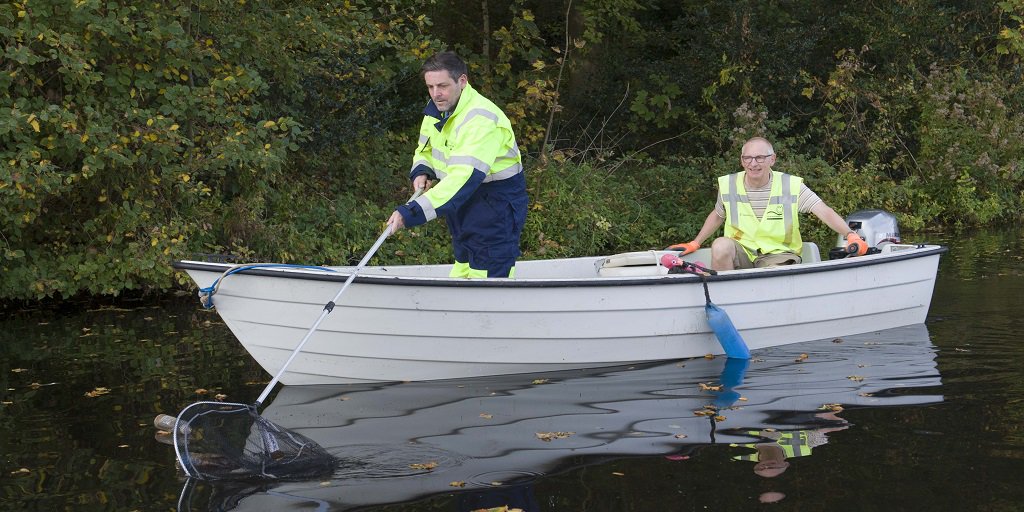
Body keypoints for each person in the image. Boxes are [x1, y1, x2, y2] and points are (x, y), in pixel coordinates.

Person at [386, 51, 528, 278]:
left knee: (488, 272)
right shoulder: (437, 111)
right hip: (461, 203)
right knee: (463, 264)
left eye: (442, 86)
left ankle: (490, 313)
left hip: (494, 204)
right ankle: (460, 310)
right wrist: (423, 170)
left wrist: (411, 212)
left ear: (462, 81)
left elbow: (463, 178)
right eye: (430, 87)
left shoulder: (481, 119)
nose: (436, 94)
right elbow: (426, 149)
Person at [668, 137, 868, 271]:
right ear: (741, 160)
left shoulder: (791, 185)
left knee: (770, 274)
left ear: (772, 159)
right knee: (720, 245)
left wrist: (850, 235)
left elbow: (823, 211)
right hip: (744, 251)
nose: (753, 163)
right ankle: (726, 302)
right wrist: (696, 242)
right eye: (747, 158)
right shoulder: (729, 184)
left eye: (759, 158)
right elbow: (718, 214)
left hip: (779, 254)